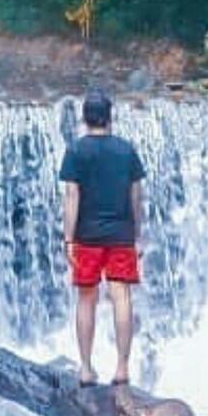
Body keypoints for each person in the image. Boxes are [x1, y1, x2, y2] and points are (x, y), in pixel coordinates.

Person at [59, 89, 145, 387]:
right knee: (121, 297)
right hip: (121, 234)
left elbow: (72, 196)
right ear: (110, 118)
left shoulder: (76, 151)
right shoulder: (126, 150)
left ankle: (85, 368)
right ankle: (122, 368)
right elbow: (135, 195)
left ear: (84, 118)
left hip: (87, 236)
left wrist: (69, 238)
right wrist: (136, 235)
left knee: (86, 299)